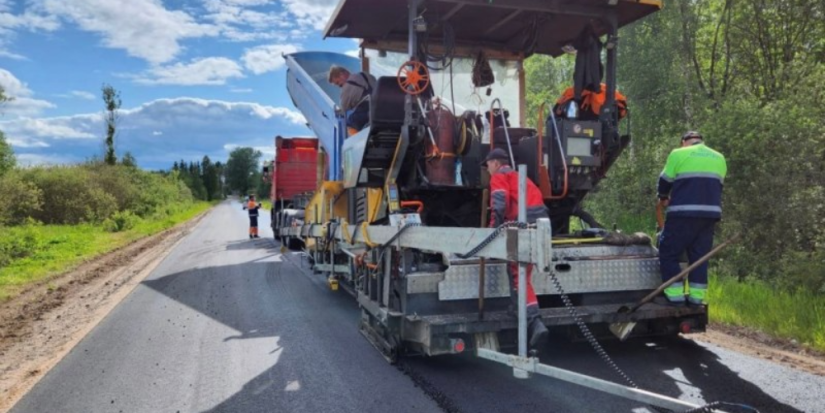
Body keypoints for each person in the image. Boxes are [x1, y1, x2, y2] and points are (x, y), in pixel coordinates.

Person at [482, 148, 550, 350]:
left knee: (517, 273)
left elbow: (499, 205)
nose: (487, 169)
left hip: (523, 225)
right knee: (520, 273)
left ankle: (534, 321)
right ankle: (516, 308)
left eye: (488, 165)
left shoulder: (499, 177)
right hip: (539, 224)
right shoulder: (520, 177)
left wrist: (492, 233)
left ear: (495, 163)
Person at [657, 131, 727, 306]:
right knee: (700, 257)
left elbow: (665, 180)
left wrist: (663, 197)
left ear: (684, 142)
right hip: (709, 216)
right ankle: (696, 298)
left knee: (669, 252)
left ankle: (675, 297)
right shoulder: (719, 157)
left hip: (682, 214)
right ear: (701, 141)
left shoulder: (678, 153)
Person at [328, 65, 377, 136]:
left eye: (338, 83)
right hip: (380, 105)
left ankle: (359, 141)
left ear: (342, 75)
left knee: (351, 123)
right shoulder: (366, 75)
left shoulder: (347, 87)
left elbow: (344, 108)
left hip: (368, 109)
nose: (339, 86)